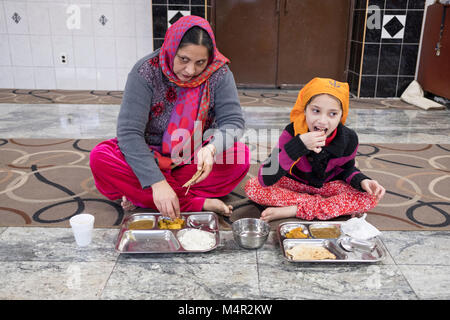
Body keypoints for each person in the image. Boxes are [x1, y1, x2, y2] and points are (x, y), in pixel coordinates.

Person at [90, 16, 250, 219]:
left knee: (240, 157)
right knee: (100, 157)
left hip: (193, 155)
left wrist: (211, 149)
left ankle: (142, 194)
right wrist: (156, 181)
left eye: (200, 62)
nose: (191, 70)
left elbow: (233, 122)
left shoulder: (218, 72)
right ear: (172, 48)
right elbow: (129, 133)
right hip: (150, 155)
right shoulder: (146, 71)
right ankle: (194, 202)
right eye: (184, 59)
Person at [245, 77, 385, 222]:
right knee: (253, 187)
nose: (323, 121)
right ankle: (322, 206)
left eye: (332, 114)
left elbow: (346, 170)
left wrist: (362, 181)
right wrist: (299, 146)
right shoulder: (292, 132)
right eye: (316, 111)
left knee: (369, 197)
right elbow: (264, 177)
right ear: (305, 109)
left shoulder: (349, 138)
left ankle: (295, 209)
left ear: (341, 116)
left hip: (327, 187)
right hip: (293, 185)